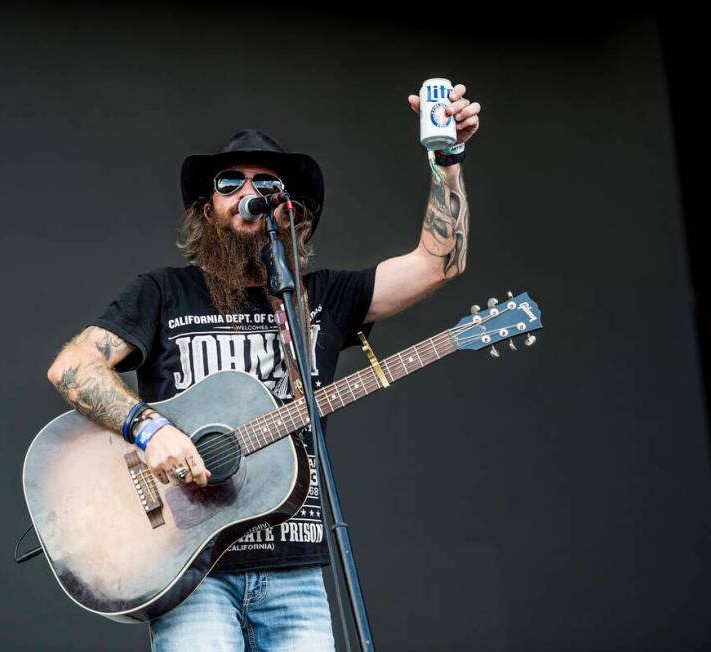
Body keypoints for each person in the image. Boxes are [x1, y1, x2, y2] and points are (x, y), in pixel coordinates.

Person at [46, 84, 480, 651]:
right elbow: (71, 365)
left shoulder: (323, 297)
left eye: (266, 185)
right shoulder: (161, 292)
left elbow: (438, 264)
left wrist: (445, 159)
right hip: (191, 569)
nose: (247, 193)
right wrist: (149, 429)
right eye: (230, 183)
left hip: (295, 568)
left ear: (289, 210)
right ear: (208, 209)